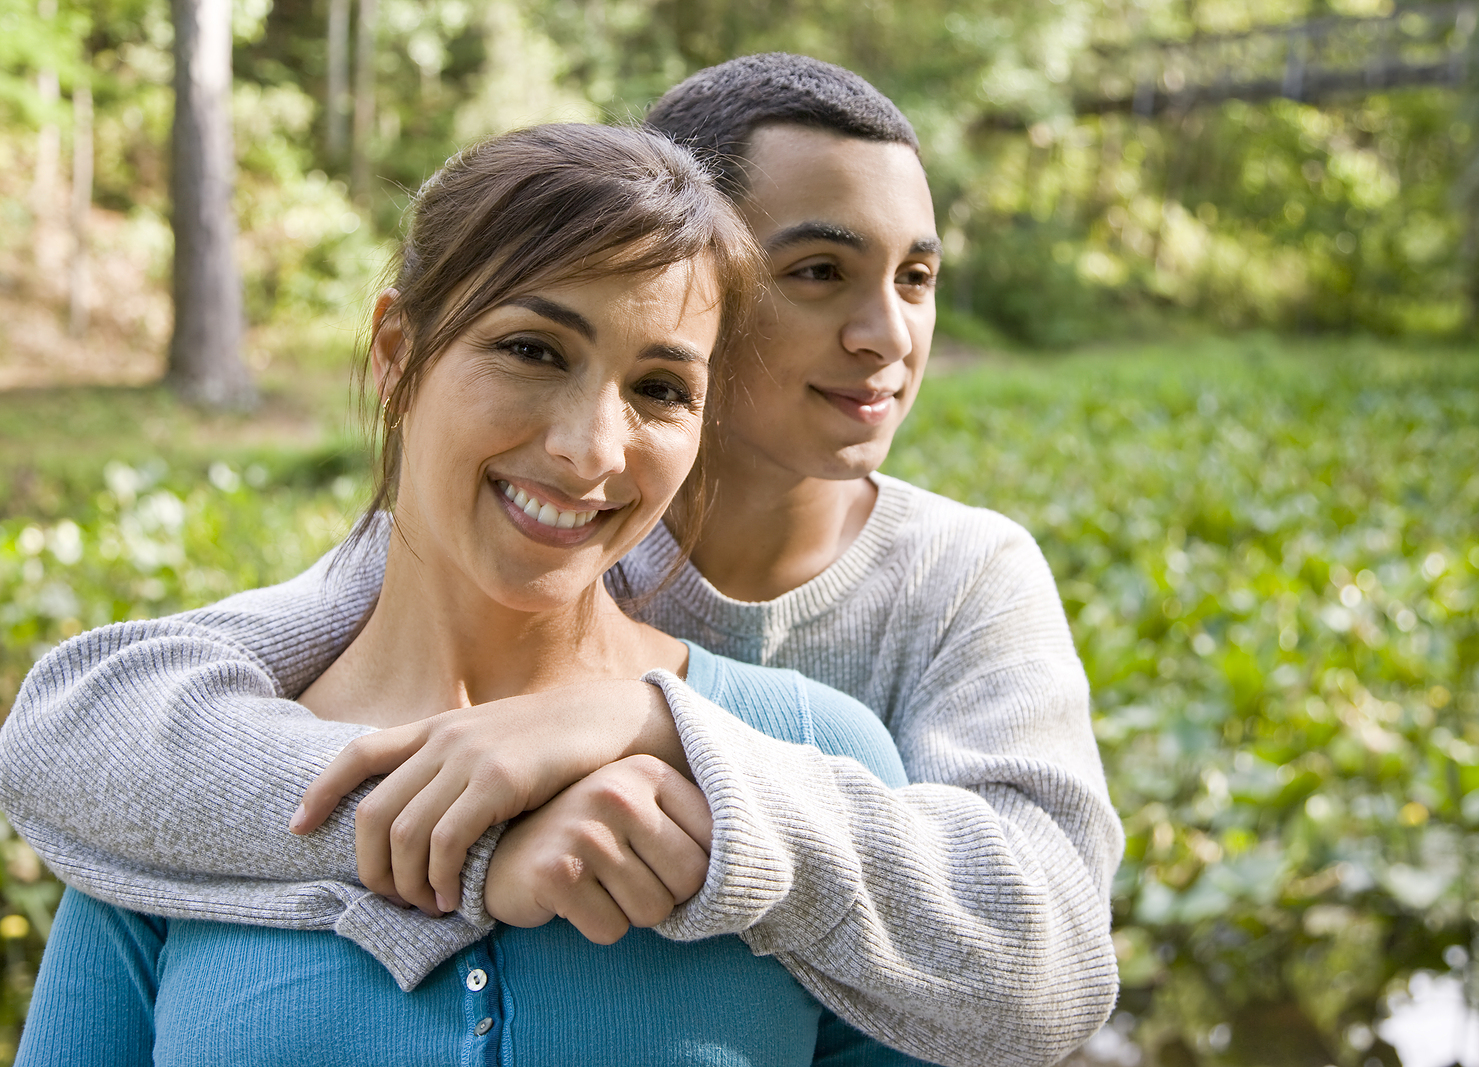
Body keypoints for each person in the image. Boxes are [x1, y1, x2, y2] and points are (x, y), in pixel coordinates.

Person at [0, 55, 1122, 1067]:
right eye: (819, 270)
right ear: (398, 352)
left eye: (658, 385)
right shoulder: (200, 779)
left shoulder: (904, 650)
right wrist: (471, 831)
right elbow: (79, 721)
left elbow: (1047, 964)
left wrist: (651, 725)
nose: (590, 449)